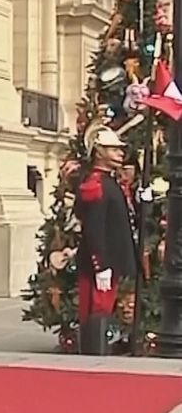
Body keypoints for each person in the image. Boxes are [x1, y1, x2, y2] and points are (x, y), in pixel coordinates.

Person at [74, 123, 136, 356]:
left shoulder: (109, 182)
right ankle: (92, 359)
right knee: (95, 310)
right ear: (99, 151)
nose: (120, 152)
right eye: (113, 149)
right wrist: (100, 265)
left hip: (109, 260)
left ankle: (96, 355)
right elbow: (94, 228)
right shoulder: (96, 183)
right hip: (99, 262)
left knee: (102, 310)